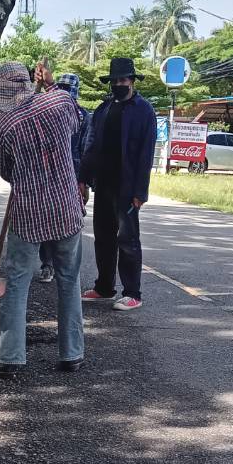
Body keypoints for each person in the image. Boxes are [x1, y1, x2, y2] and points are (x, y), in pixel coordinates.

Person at [0, 62, 86, 378]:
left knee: (17, 282)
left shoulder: (3, 127)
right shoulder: (61, 101)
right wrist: (50, 87)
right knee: (69, 279)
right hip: (67, 208)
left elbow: (8, 173)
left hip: (29, 212)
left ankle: (10, 356)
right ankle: (72, 354)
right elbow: (77, 127)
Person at [80, 57, 156, 311]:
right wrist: (83, 178)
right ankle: (104, 287)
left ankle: (132, 292)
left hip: (127, 187)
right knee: (102, 237)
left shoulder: (143, 110)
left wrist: (140, 191)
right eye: (115, 81)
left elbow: (146, 153)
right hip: (103, 183)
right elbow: (91, 146)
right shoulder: (103, 109)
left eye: (123, 80)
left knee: (128, 239)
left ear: (132, 81)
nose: (119, 84)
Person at [37, 69, 92, 283]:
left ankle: (64, 268)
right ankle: (47, 264)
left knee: (70, 223)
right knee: (45, 220)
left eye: (70, 90)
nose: (67, 94)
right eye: (64, 89)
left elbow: (85, 149)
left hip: (72, 175)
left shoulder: (83, 116)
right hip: (47, 174)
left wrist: (83, 182)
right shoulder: (47, 113)